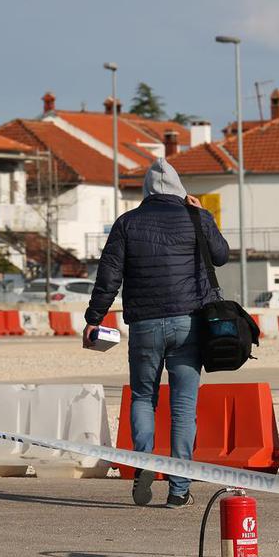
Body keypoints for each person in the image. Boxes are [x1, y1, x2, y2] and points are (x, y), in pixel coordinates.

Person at [83, 158, 229, 508]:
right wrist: (204, 214)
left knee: (143, 397)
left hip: (145, 324)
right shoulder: (195, 217)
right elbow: (221, 256)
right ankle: (179, 490)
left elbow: (109, 276)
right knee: (183, 406)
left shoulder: (127, 223)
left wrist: (94, 317)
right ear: (179, 188)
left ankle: (144, 463)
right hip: (189, 322)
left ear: (147, 190)